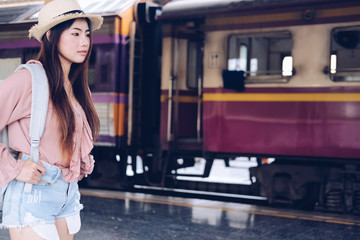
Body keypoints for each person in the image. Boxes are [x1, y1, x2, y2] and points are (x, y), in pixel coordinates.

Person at [0, 0, 103, 239]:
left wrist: (81, 160)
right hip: (32, 193)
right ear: (51, 36)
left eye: (87, 34)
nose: (84, 41)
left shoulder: (78, 88)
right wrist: (13, 168)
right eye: (75, 33)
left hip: (67, 195)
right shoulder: (28, 80)